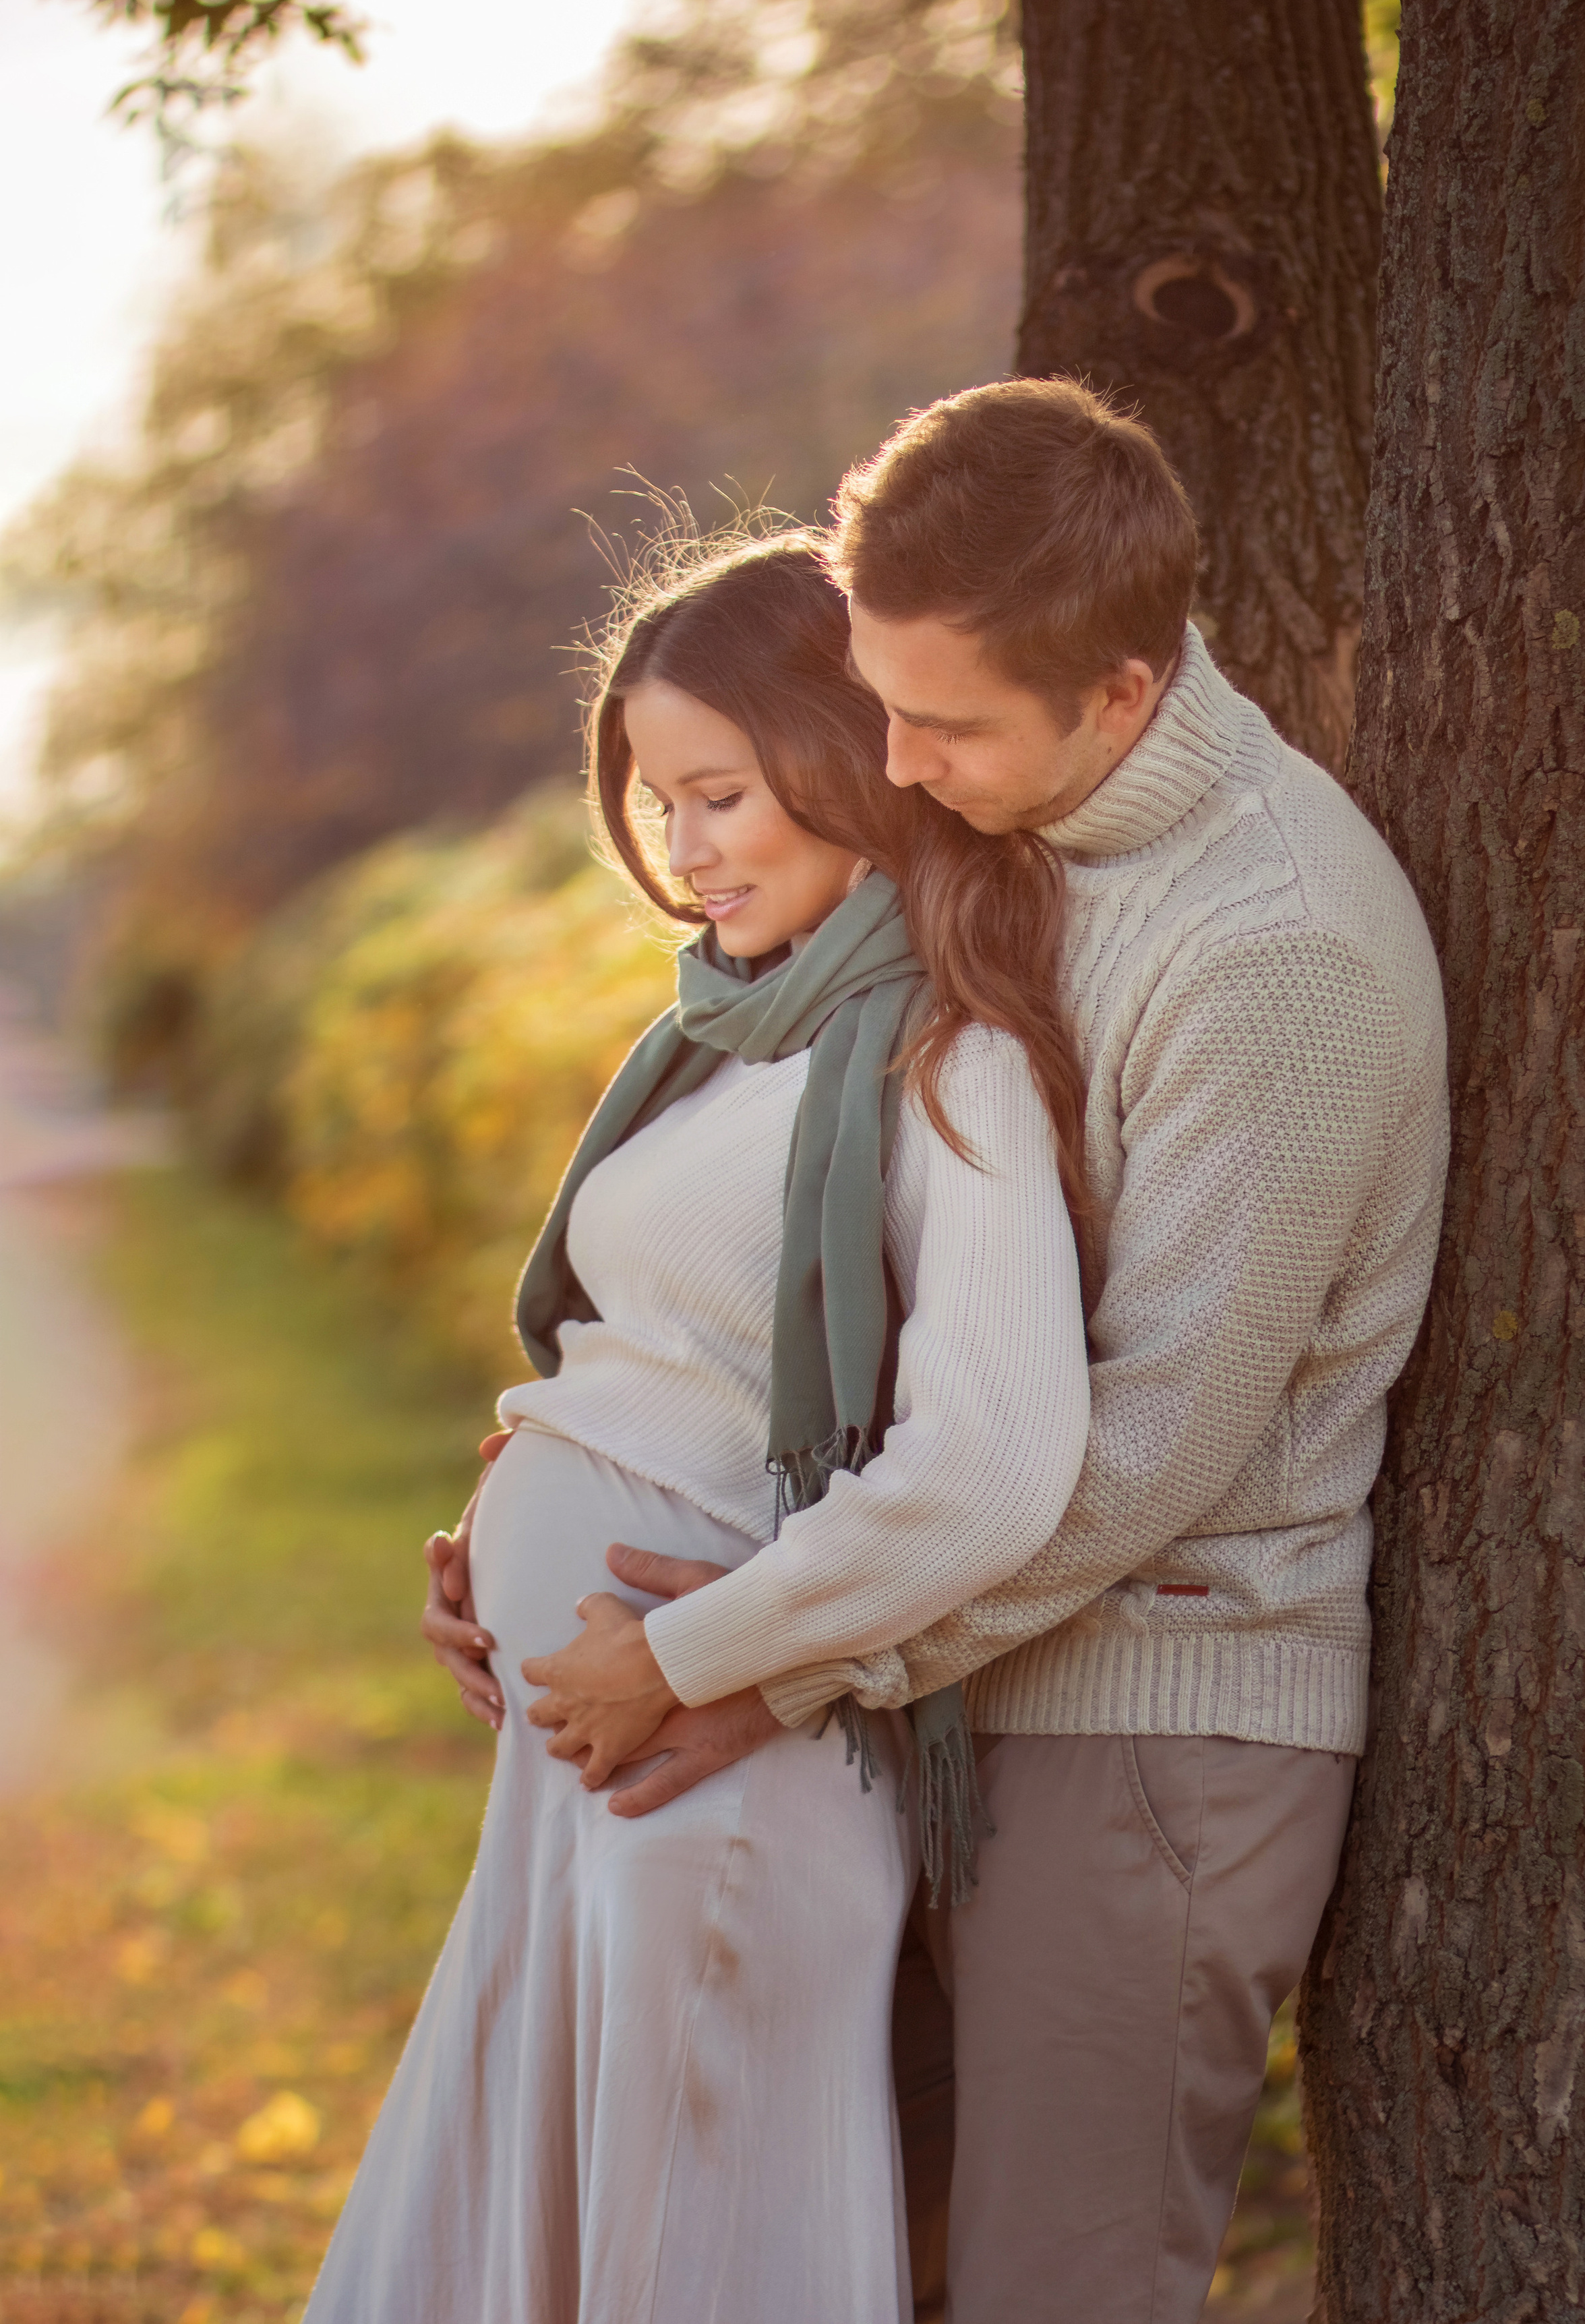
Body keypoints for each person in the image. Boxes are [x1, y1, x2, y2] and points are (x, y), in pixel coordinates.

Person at [428, 380, 1450, 2323]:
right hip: (949, 1706)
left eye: (944, 724)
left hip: (1147, 1721)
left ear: (1125, 695)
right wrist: (568, 1485)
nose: (891, 760)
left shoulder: (1271, 947)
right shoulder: (1016, 834)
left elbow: (1150, 1445)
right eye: (880, 702)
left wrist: (761, 1660)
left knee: (1054, 2287)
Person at [308, 528, 1092, 2324]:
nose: (684, 844)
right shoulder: (728, 1038)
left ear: (843, 756)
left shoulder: (942, 1061)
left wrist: (669, 1640)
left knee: (695, 2252)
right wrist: (505, 1542)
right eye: (660, 801)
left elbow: (992, 1456)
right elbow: (662, 1359)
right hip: (595, 1764)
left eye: (720, 791)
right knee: (582, 2230)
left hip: (716, 1773)